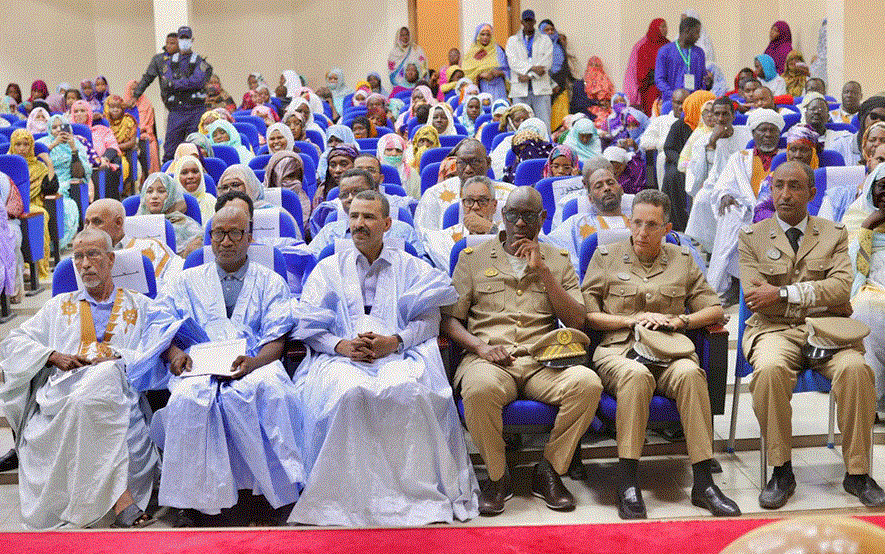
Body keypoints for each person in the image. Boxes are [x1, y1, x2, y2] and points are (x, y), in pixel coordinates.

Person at [291, 188, 478, 524]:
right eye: (354, 216)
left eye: (368, 217)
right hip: (341, 358)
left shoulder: (411, 266)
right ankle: (346, 499)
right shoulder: (327, 269)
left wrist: (395, 342)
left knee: (407, 391)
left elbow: (430, 320)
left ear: (387, 223)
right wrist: (342, 346)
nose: (359, 224)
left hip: (398, 354)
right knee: (348, 393)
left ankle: (409, 497)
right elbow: (309, 326)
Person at [0, 228, 181, 529]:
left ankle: (114, 500)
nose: (84, 264)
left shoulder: (140, 305)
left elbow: (164, 340)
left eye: (93, 255)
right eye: (78, 257)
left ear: (111, 260)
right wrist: (52, 355)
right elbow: (13, 342)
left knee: (106, 374)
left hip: (118, 396)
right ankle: (122, 501)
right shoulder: (58, 305)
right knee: (92, 391)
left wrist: (121, 358)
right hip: (63, 395)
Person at [442, 186, 602, 514]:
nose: (519, 224)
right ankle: (498, 476)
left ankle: (549, 471)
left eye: (528, 216)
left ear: (542, 218)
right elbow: (449, 320)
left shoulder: (557, 260)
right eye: (513, 215)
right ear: (502, 215)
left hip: (543, 360)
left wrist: (544, 272)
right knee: (478, 389)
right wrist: (480, 347)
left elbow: (578, 319)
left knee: (588, 384)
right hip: (489, 358)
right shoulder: (472, 258)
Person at [582, 189, 740, 519]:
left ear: (667, 228)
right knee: (636, 375)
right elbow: (588, 315)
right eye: (636, 223)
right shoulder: (606, 256)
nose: (641, 232)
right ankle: (628, 481)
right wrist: (631, 319)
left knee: (691, 374)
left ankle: (704, 483)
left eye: (651, 225)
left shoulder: (682, 259)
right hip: (619, 350)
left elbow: (714, 308)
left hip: (669, 350)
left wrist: (682, 320)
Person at [738, 160, 885, 509]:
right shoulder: (751, 237)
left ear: (811, 193)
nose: (785, 194)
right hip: (774, 330)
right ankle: (781, 470)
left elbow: (841, 288)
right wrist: (814, 295)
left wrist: (782, 293)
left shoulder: (834, 233)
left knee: (857, 370)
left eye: (795, 186)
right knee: (769, 371)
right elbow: (755, 297)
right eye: (778, 186)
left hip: (830, 330)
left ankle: (858, 473)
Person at [153, 201, 304, 526]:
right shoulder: (184, 281)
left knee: (272, 393)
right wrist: (175, 354)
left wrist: (255, 362)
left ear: (249, 237)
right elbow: (161, 326)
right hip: (199, 362)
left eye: (234, 233)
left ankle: (268, 497)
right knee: (187, 400)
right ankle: (196, 503)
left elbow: (277, 338)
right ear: (209, 238)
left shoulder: (271, 281)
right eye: (218, 233)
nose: (226, 241)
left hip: (257, 361)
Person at [708, 108, 785, 300]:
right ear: (753, 133)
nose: (767, 134)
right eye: (762, 130)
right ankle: (736, 282)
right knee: (731, 215)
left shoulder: (786, 157)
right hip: (746, 211)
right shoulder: (740, 157)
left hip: (777, 210)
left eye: (772, 130)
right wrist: (725, 195)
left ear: (779, 134)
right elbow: (722, 185)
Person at [129, 26, 212, 162]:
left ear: (192, 40)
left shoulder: (199, 61)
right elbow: (167, 82)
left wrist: (177, 84)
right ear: (178, 40)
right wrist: (187, 83)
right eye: (182, 38)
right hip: (176, 111)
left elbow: (198, 82)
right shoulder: (168, 62)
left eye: (187, 38)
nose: (184, 41)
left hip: (196, 110)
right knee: (170, 150)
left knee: (196, 148)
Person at [685, 96, 753, 253]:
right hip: (714, 186)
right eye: (717, 114)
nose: (721, 118)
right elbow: (700, 175)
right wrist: (712, 143)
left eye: (725, 114)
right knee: (702, 199)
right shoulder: (702, 141)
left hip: (744, 184)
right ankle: (712, 248)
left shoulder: (746, 134)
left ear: (733, 116)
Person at [844, 164, 885, 420]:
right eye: (882, 187)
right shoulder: (857, 217)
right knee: (865, 311)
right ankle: (873, 400)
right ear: (871, 189)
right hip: (870, 287)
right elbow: (854, 268)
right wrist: (869, 226)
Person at [308, 168, 423, 257]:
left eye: (357, 192)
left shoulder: (403, 230)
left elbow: (421, 265)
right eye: (344, 195)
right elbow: (311, 264)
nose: (350, 198)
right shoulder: (330, 232)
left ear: (375, 192)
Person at [414, 138, 514, 232]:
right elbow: (426, 237)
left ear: (488, 163)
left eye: (475, 162)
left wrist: (492, 229)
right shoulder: (434, 195)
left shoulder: (509, 195)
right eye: (462, 163)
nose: (468, 169)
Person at [83, 198, 183, 286]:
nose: (89, 228)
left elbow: (174, 285)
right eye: (87, 223)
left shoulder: (151, 247)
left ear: (118, 223)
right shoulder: (80, 257)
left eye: (97, 222)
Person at [544, 166, 630, 267]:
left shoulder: (638, 220)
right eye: (598, 186)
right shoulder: (577, 222)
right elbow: (550, 246)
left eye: (610, 183)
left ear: (621, 190)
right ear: (590, 198)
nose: (606, 188)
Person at [662, 90, 715, 232]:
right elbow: (669, 148)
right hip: (681, 161)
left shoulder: (716, 127)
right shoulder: (680, 125)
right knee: (674, 175)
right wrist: (683, 162)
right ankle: (679, 222)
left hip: (708, 164)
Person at [422, 175, 500, 270]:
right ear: (463, 205)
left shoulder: (507, 233)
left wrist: (492, 229)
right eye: (469, 201)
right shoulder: (443, 240)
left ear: (494, 205)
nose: (475, 207)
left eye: (482, 201)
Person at [37, 114, 91, 246]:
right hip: (45, 180)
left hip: (66, 181)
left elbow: (79, 174)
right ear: (49, 129)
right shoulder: (43, 143)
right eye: (54, 127)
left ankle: (59, 241)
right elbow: (35, 163)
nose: (58, 130)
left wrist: (73, 149)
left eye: (61, 127)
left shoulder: (75, 143)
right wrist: (54, 144)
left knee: (66, 202)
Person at [505, 10, 554, 130]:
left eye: (531, 21)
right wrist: (532, 68)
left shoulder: (545, 40)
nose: (528, 23)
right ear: (522, 22)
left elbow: (546, 64)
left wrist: (529, 76)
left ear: (535, 22)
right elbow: (513, 63)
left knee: (544, 124)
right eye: (526, 21)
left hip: (541, 89)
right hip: (520, 90)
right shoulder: (512, 41)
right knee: (519, 125)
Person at [136, 172, 203, 257]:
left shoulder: (190, 228)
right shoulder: (134, 226)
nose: (154, 196)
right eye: (149, 191)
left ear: (172, 195)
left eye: (161, 191)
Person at [639, 88, 688, 188]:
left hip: (685, 160)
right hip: (665, 160)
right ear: (672, 103)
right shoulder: (661, 121)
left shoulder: (692, 122)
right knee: (653, 156)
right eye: (678, 103)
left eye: (684, 103)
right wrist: (666, 145)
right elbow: (644, 141)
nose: (681, 107)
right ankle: (655, 190)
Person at [654, 16, 705, 103]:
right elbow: (659, 79)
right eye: (697, 32)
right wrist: (674, 95)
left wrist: (707, 83)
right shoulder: (665, 51)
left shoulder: (699, 53)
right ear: (687, 31)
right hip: (672, 102)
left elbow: (702, 80)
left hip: (692, 103)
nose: (699, 36)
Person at [626, 18, 669, 115]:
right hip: (651, 89)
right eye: (662, 27)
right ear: (655, 28)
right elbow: (641, 73)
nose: (666, 29)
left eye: (666, 26)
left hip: (667, 88)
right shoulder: (644, 47)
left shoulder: (669, 46)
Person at [123, 79, 160, 175]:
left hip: (145, 135)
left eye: (137, 89)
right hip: (128, 138)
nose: (134, 92)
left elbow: (148, 125)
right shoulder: (124, 106)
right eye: (132, 89)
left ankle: (149, 177)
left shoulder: (146, 104)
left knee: (150, 145)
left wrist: (139, 132)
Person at [464, 24, 509, 101]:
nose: (485, 37)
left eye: (488, 35)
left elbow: (507, 69)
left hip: (498, 86)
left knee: (500, 106)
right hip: (482, 87)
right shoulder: (471, 53)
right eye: (482, 34)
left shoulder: (497, 50)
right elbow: (468, 73)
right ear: (478, 36)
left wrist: (499, 73)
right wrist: (480, 75)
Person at [170, 154, 216, 222]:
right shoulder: (171, 205)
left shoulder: (211, 201)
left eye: (195, 171)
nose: (190, 176)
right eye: (184, 173)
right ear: (177, 177)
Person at [377, 132, 419, 199]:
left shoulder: (411, 173)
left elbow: (417, 198)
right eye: (389, 150)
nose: (394, 154)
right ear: (381, 151)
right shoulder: (375, 171)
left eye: (398, 150)